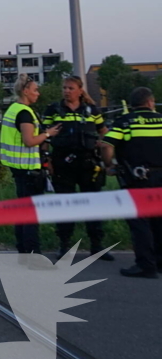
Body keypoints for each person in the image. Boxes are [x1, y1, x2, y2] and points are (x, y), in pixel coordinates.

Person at [43, 75, 112, 260]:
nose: (66, 91)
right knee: (64, 205)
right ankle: (64, 245)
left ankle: (97, 245)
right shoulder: (54, 109)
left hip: (89, 164)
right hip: (62, 163)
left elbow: (103, 131)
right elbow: (44, 137)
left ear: (80, 90)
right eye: (64, 87)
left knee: (93, 204)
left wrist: (102, 144)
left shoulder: (91, 110)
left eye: (70, 88)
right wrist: (45, 160)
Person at [0, 74, 62, 267]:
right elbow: (29, 141)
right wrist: (48, 134)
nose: (38, 93)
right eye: (35, 90)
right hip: (28, 170)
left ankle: (23, 253)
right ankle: (34, 256)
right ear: (25, 91)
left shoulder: (13, 109)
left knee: (22, 213)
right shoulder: (25, 113)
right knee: (31, 216)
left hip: (19, 168)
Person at [102, 87, 162, 278]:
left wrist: (109, 165)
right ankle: (159, 261)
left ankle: (146, 265)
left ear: (132, 104)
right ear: (150, 102)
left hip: (138, 178)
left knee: (140, 222)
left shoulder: (125, 121)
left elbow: (106, 144)